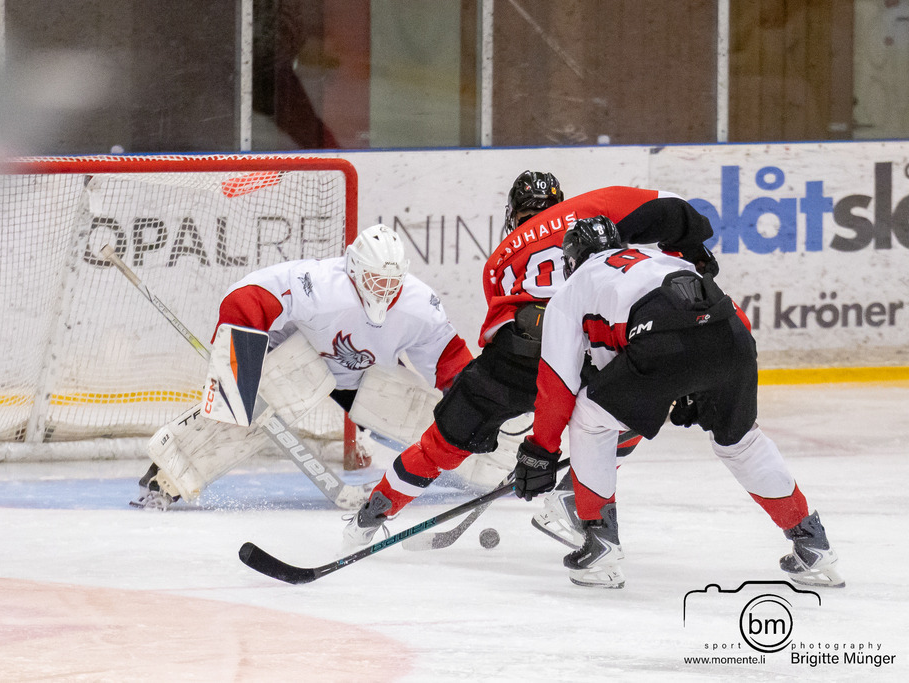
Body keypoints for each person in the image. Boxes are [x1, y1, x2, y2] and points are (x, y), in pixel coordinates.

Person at [343, 171, 717, 547]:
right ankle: (570, 498)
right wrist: (692, 247)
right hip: (586, 349)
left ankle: (369, 517)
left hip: (514, 356)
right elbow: (670, 203)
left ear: (513, 214)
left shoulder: (497, 260)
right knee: (628, 415)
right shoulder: (591, 207)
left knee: (440, 445)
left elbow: (500, 318)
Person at [511, 215, 844, 589]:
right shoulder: (660, 258)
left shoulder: (572, 291)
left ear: (572, 259)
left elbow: (557, 386)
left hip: (664, 342)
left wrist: (540, 450)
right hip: (733, 338)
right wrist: (695, 382)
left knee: (590, 418)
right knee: (742, 443)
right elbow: (729, 319)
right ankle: (812, 543)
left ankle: (600, 544)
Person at [133, 223, 474, 509]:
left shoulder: (419, 304)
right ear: (354, 268)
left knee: (447, 425)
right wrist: (238, 368)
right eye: (375, 278)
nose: (384, 289)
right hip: (300, 359)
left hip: (367, 374)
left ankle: (490, 470)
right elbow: (246, 297)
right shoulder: (320, 284)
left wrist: (478, 405)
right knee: (235, 416)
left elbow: (449, 357)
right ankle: (166, 477)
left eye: (392, 280)